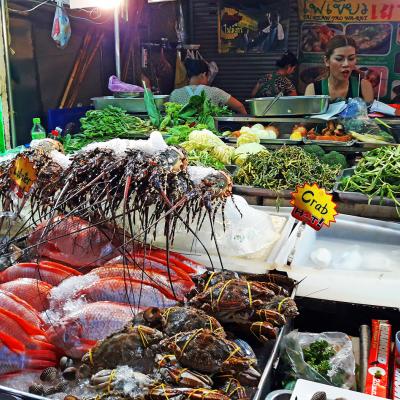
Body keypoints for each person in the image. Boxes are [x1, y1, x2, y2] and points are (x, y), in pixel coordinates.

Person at [305, 35, 374, 103]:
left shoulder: (364, 87)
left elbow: (370, 113)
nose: (346, 64)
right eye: (339, 59)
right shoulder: (313, 89)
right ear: (326, 61)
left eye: (351, 58)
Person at [169, 59, 247, 114]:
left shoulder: (175, 94)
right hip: (209, 135)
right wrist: (246, 126)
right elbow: (240, 106)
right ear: (203, 75)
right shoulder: (214, 92)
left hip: (182, 134)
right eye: (208, 76)